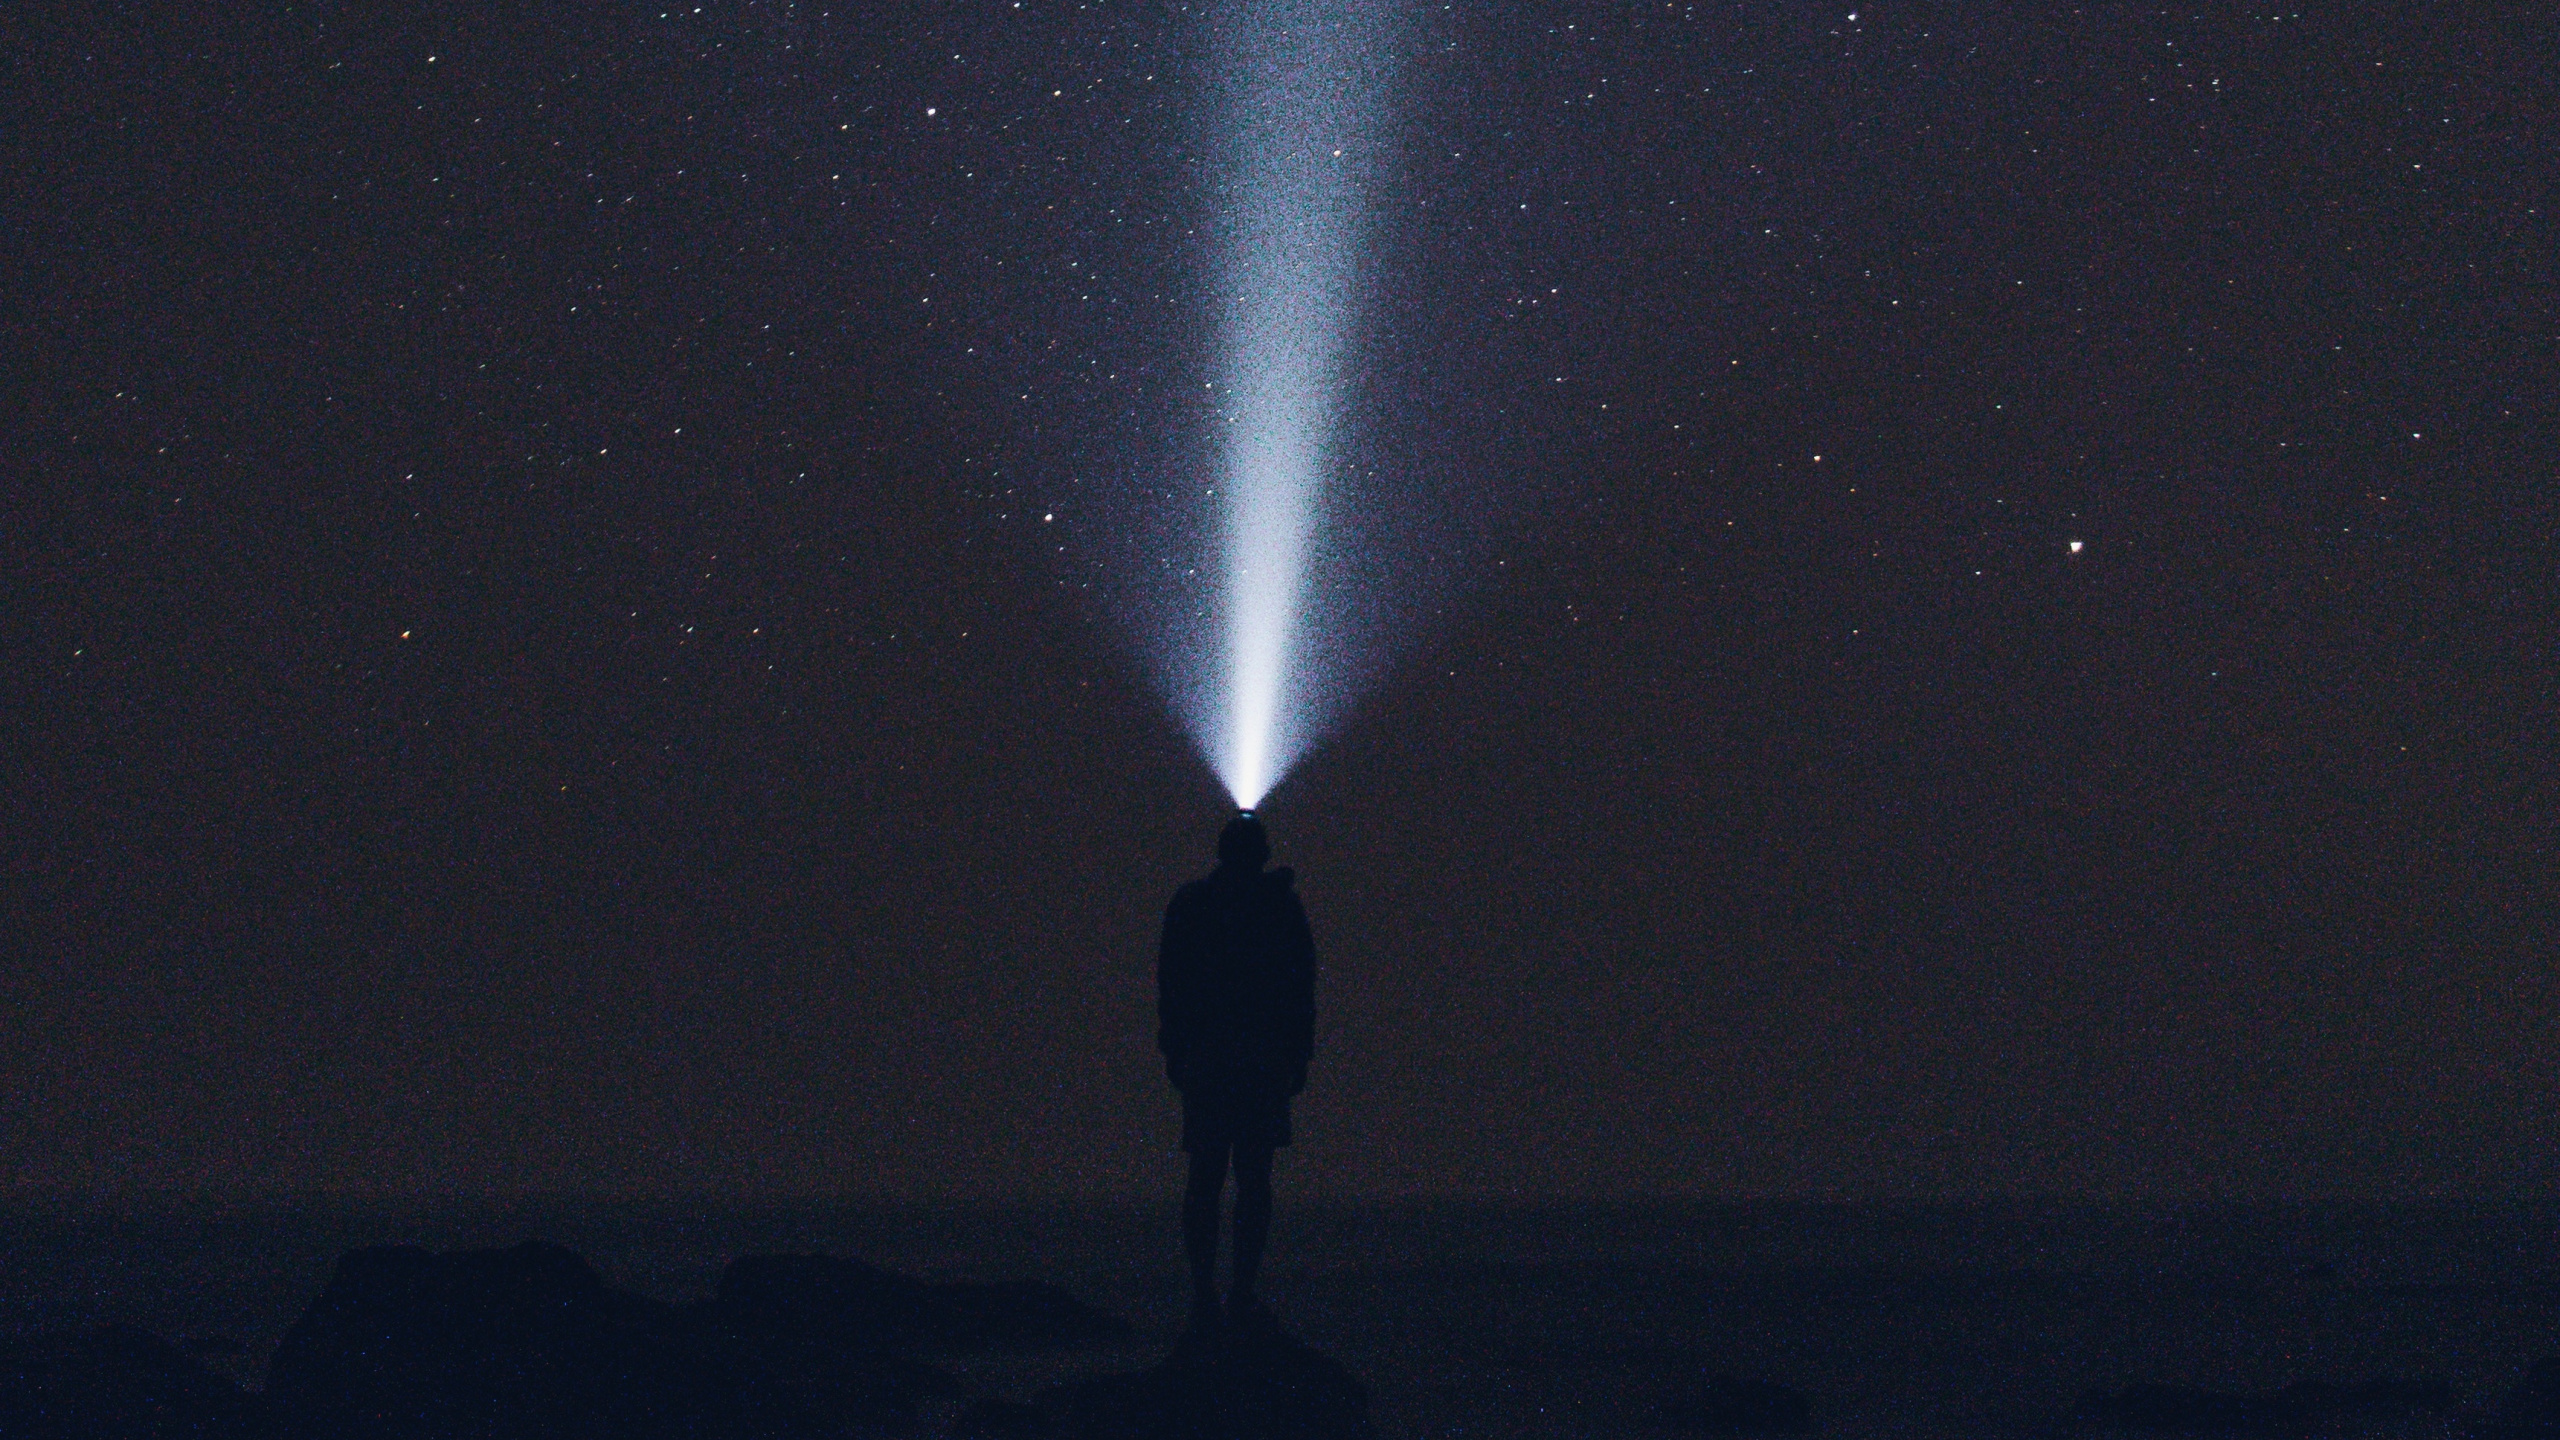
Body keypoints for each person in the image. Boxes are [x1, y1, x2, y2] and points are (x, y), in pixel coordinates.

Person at [1156, 810, 1316, 1335]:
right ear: (1262, 854)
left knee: (1206, 1177)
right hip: (1259, 1060)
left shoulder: (1192, 905)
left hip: (1209, 1059)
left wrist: (1176, 1052)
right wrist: (1297, 1057)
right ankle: (1238, 1294)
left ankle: (1207, 1295)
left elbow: (1171, 984)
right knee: (1253, 1180)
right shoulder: (1279, 910)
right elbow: (1300, 990)